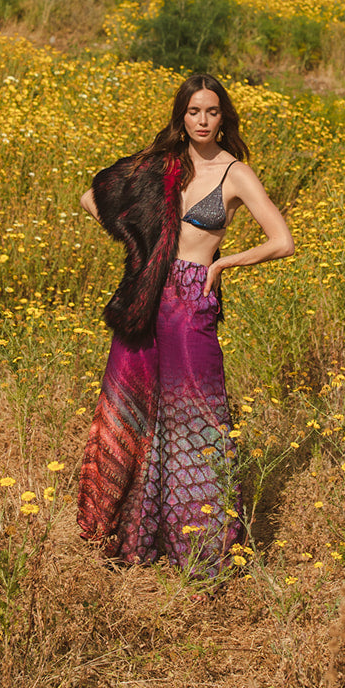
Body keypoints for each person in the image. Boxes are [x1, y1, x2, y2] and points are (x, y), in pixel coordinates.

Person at [76, 73, 295, 575]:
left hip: (192, 303)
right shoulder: (160, 166)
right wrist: (137, 246)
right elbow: (92, 198)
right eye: (194, 111)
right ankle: (122, 536)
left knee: (199, 417)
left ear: (224, 117)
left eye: (211, 112)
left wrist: (221, 264)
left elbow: (282, 240)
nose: (202, 120)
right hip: (146, 300)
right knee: (131, 409)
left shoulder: (235, 174)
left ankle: (202, 550)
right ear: (182, 116)